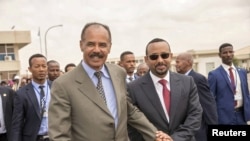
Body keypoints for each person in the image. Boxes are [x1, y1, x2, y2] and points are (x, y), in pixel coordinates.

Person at [48, 22, 172, 141]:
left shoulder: (119, 73)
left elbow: (129, 110)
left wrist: (154, 134)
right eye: (91, 44)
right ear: (81, 45)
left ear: (109, 47)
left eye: (102, 45)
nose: (97, 50)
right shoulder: (63, 84)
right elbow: (59, 136)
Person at [127, 38, 203, 141]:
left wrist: (174, 139)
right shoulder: (133, 88)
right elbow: (133, 126)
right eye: (154, 57)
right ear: (146, 59)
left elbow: (195, 115)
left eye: (164, 55)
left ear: (171, 56)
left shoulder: (187, 82)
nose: (160, 60)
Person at [175, 52, 218, 141]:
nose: (176, 65)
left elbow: (208, 105)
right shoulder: (177, 79)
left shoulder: (198, 79)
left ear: (188, 62)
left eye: (178, 62)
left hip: (198, 131)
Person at [11, 53, 51, 141]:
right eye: (37, 66)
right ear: (30, 69)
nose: (41, 69)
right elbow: (17, 124)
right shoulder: (21, 93)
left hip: (55, 137)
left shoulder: (57, 88)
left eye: (44, 66)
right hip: (34, 138)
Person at [208, 43, 250, 125]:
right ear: (220, 55)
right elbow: (211, 99)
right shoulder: (214, 74)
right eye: (225, 53)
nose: (228, 55)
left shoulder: (242, 72)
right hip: (223, 118)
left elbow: (246, 93)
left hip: (242, 116)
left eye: (231, 52)